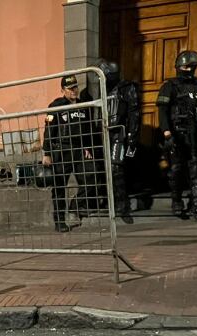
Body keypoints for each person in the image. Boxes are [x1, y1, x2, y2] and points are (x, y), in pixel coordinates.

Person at [76, 61, 141, 224]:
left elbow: (134, 113)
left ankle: (122, 207)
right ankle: (100, 202)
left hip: (118, 132)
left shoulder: (127, 88)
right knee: (97, 169)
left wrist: (132, 138)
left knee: (116, 168)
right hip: (100, 133)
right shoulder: (96, 90)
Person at [157, 51, 197, 221]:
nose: (185, 69)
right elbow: (162, 111)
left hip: (195, 134)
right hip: (176, 134)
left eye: (188, 67)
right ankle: (177, 202)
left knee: (196, 171)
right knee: (176, 170)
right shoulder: (170, 86)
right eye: (183, 66)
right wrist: (167, 133)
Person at [41, 75, 95, 232]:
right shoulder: (56, 106)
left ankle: (74, 206)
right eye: (70, 88)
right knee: (59, 188)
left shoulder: (83, 106)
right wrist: (47, 153)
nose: (74, 91)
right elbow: (49, 131)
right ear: (62, 90)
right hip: (61, 151)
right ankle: (59, 222)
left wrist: (87, 147)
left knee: (90, 179)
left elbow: (87, 129)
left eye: (75, 87)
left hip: (79, 150)